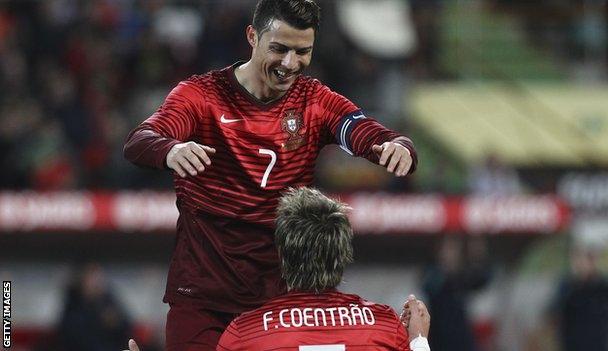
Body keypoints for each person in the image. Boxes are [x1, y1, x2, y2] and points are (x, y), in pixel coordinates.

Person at [123, 0, 417, 349]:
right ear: (253, 36)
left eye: (302, 52)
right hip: (203, 300)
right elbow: (140, 141)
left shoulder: (315, 101)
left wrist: (397, 145)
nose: (290, 64)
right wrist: (171, 149)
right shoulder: (200, 96)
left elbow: (366, 133)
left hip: (276, 304)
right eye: (279, 49)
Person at [125, 188, 430, 351]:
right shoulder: (384, 325)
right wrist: (417, 340)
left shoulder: (245, 333)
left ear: (281, 257)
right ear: (342, 254)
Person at [550, 247, 608, 351]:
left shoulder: (605, 285)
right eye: (578, 259)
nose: (581, 264)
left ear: (593, 262)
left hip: (599, 345)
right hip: (573, 344)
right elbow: (555, 311)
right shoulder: (566, 286)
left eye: (586, 259)